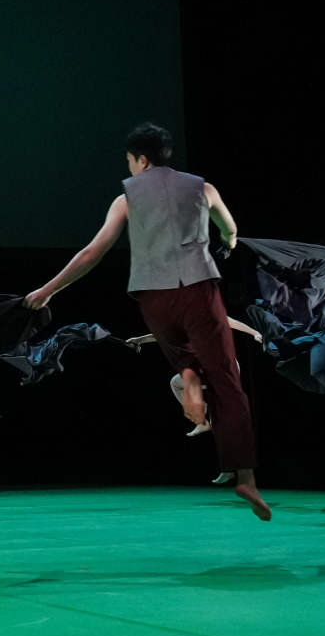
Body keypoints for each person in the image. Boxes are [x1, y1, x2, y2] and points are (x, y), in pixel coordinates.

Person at [27, 123, 272, 520]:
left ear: (141, 160)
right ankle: (245, 476)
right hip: (198, 290)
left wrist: (49, 289)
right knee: (227, 381)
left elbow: (92, 252)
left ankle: (188, 375)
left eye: (130, 161)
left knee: (183, 354)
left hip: (153, 298)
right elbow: (230, 229)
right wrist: (227, 242)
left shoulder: (126, 197)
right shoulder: (204, 188)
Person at [125, 316, 263, 437]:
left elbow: (233, 322)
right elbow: (162, 337)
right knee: (176, 383)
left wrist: (254, 333)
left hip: (225, 369)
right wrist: (139, 340)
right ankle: (202, 421)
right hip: (205, 370)